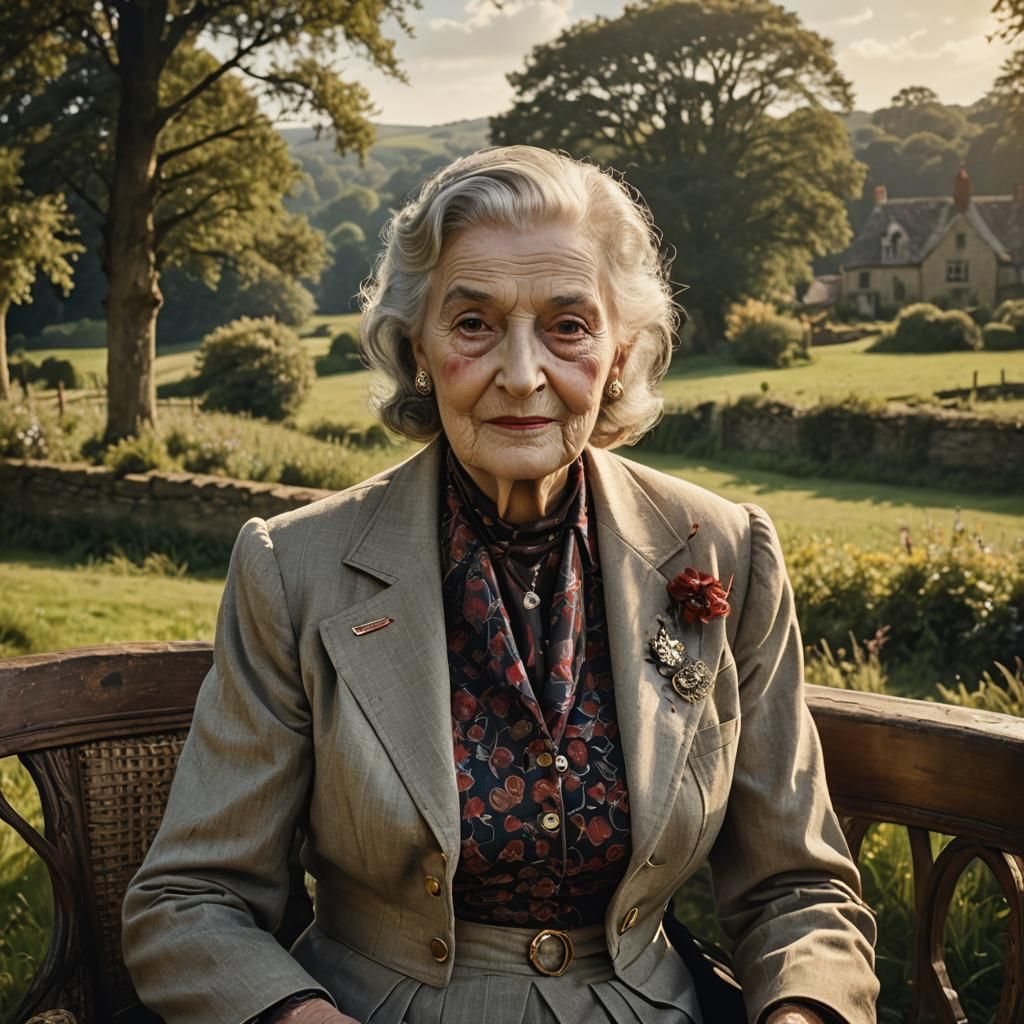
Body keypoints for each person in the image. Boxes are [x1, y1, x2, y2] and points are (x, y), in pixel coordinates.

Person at [121, 146, 878, 1024]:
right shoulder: (294, 568)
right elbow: (188, 900)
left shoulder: (723, 552)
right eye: (474, 324)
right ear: (416, 347)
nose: (523, 376)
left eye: (568, 326)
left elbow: (800, 889)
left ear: (620, 352)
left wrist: (801, 1013)